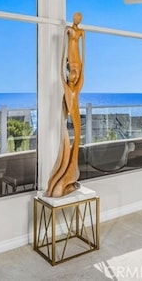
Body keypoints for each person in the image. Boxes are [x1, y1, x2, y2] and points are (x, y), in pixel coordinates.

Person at [46, 12, 85, 197]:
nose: (73, 75)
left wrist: (80, 66)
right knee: (65, 136)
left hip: (75, 111)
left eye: (75, 73)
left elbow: (83, 55)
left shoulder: (77, 88)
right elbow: (63, 63)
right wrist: (64, 63)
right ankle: (64, 174)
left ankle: (72, 172)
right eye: (72, 73)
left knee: (76, 137)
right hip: (71, 57)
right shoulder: (65, 84)